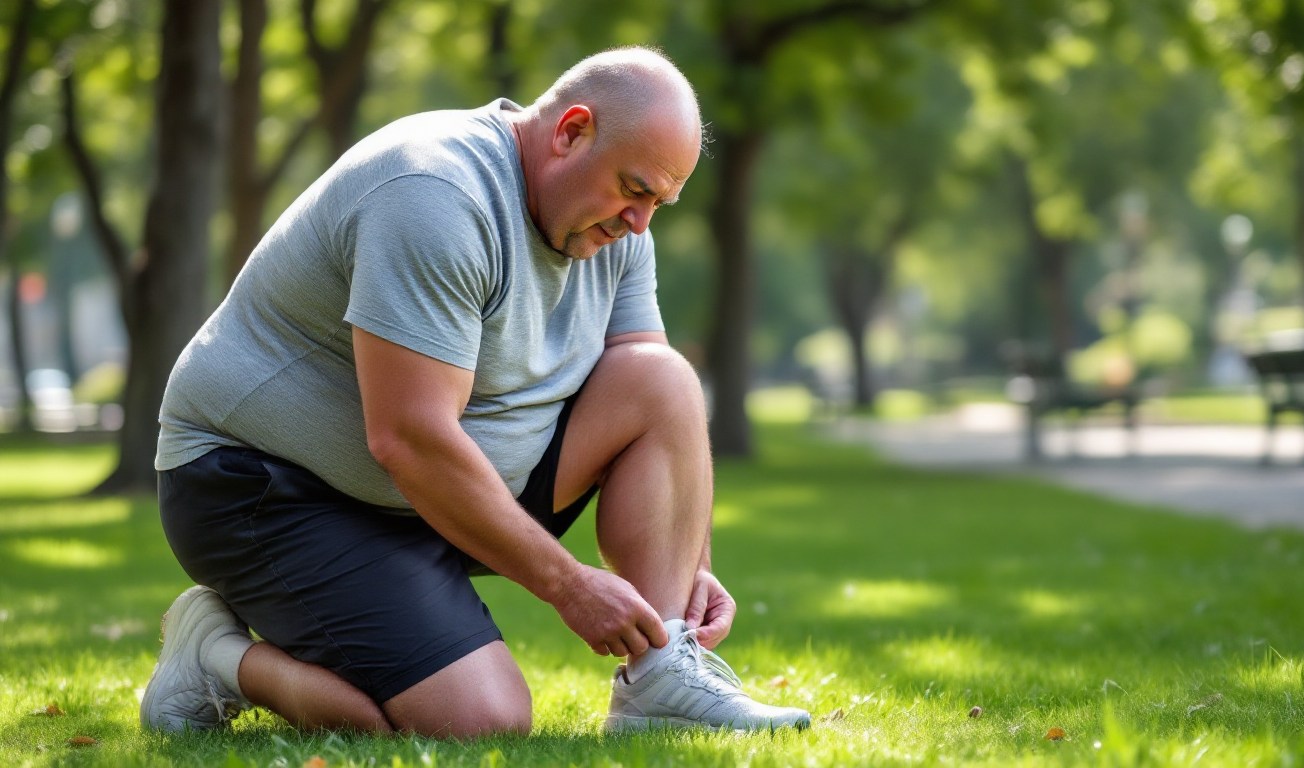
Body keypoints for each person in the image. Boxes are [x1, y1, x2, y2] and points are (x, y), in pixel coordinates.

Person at [141, 47, 811, 738]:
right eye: (634, 190)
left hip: (425, 493)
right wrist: (569, 584)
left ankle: (662, 681)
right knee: (478, 722)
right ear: (570, 131)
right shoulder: (434, 192)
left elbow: (648, 383)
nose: (640, 223)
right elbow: (408, 437)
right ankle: (215, 654)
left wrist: (691, 562)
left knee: (663, 375)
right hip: (265, 489)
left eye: (658, 203)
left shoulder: (613, 228)